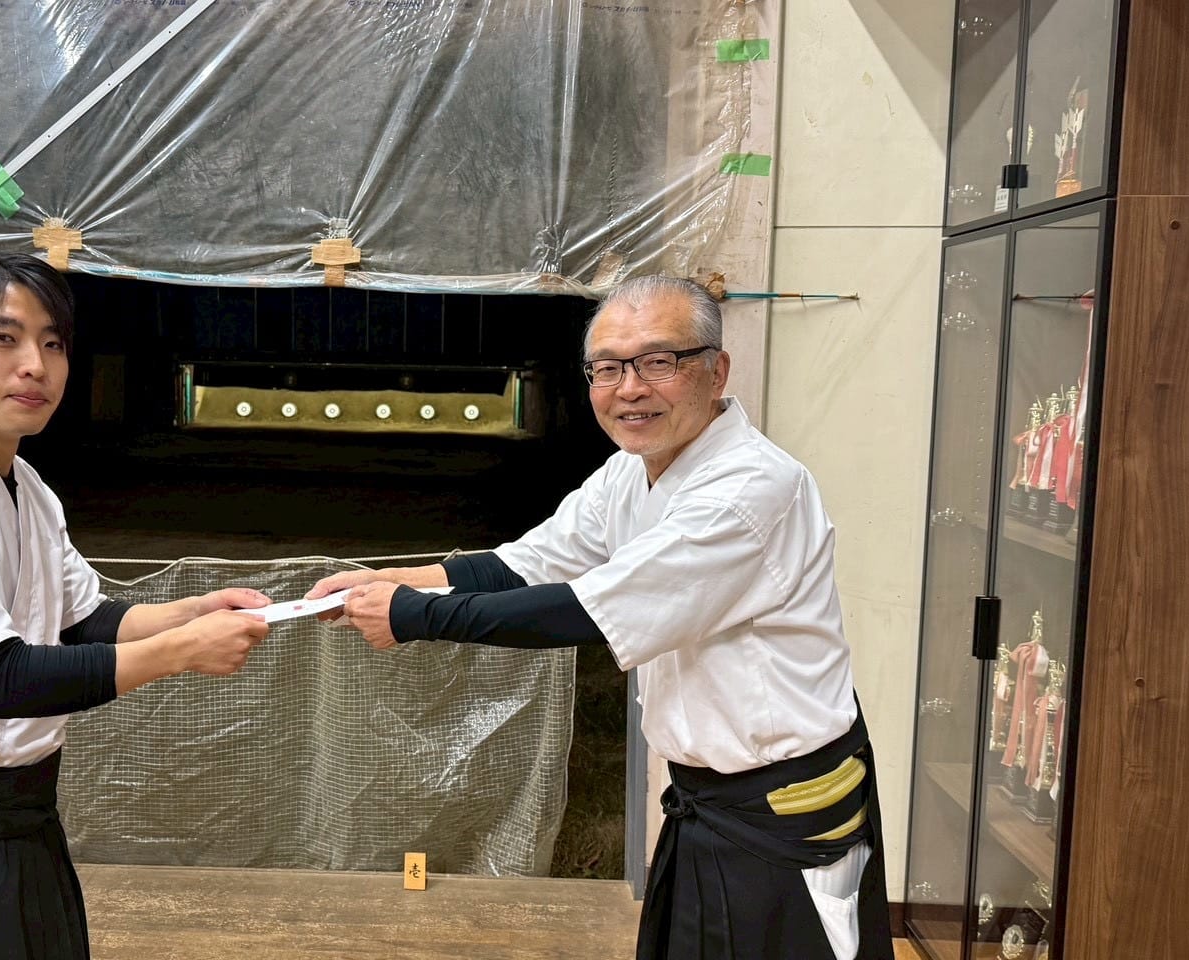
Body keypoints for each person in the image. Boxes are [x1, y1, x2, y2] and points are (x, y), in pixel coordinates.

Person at [308, 275, 891, 960]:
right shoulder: (630, 470)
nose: (630, 389)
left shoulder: (750, 488)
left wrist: (412, 616)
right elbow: (526, 565)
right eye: (608, 368)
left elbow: (584, 608)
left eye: (658, 361)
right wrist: (389, 581)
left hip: (782, 807)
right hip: (708, 799)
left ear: (717, 371)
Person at [0, 254, 272, 960]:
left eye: (53, 342)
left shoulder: (26, 484)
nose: (35, 365)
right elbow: (1, 679)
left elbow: (81, 619)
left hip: (26, 819)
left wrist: (190, 613)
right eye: (4, 339)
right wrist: (183, 652)